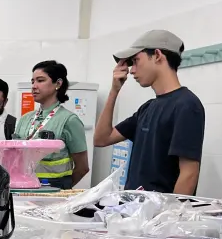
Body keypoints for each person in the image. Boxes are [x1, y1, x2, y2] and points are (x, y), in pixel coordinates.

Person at [93, 30, 204, 195]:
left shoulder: (186, 105)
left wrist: (170, 211)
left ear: (157, 55)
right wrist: (114, 90)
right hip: (134, 207)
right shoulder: (148, 108)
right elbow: (101, 139)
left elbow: (189, 174)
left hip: (159, 209)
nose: (132, 70)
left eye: (136, 61)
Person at [14, 61, 89, 189]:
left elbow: (82, 168)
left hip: (54, 190)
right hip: (23, 189)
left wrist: (63, 187)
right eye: (32, 81)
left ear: (58, 84)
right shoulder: (25, 119)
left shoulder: (69, 120)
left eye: (40, 80)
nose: (34, 86)